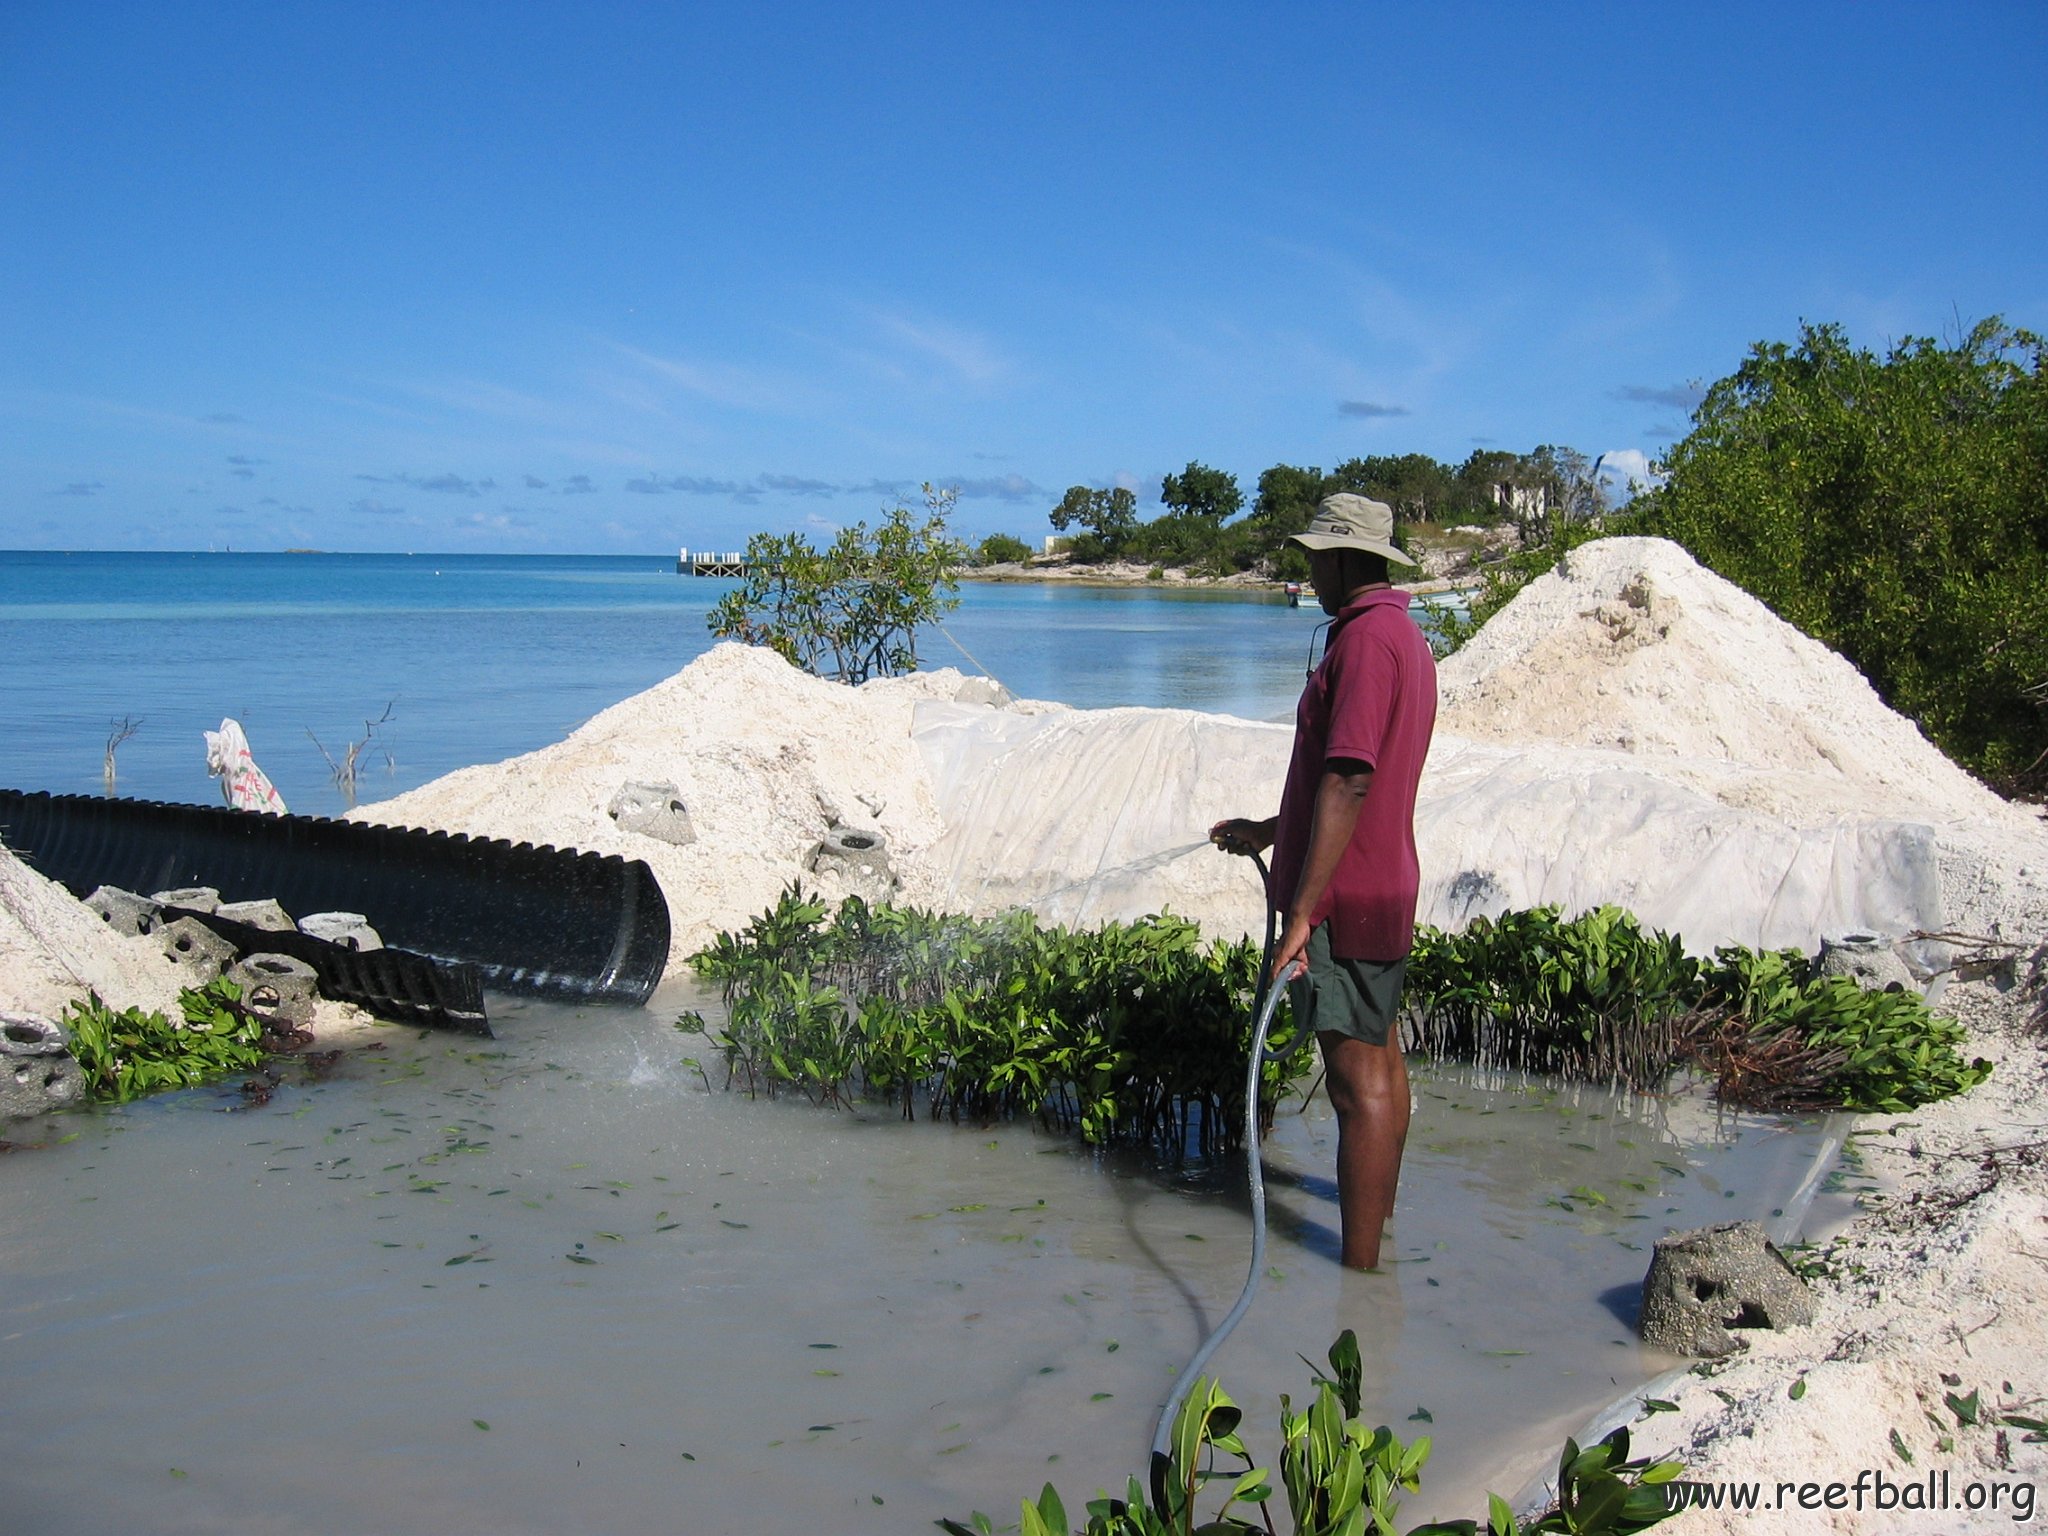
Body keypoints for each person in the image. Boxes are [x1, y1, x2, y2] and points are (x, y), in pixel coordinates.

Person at [1211, 493, 1437, 1270]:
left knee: (1356, 1081)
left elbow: (1351, 777)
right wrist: (1273, 833)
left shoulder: (1370, 641)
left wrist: (1303, 910)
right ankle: (1377, 1231)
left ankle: (1361, 1278)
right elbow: (1340, 783)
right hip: (1378, 880)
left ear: (1345, 559)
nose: (1307, 571)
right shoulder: (1400, 636)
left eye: (1314, 558)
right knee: (1381, 1057)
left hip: (1347, 896)